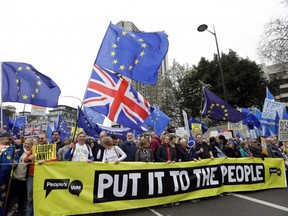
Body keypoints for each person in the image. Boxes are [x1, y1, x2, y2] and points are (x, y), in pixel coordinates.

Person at [7, 137, 33, 215]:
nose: (26, 145)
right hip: (14, 178)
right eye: (25, 143)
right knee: (9, 198)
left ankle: (20, 213)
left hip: (23, 180)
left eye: (29, 143)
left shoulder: (33, 154)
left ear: (32, 145)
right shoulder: (18, 151)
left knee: (21, 200)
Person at [0, 132, 17, 216]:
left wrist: (14, 163)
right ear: (2, 139)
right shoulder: (6, 148)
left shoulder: (11, 148)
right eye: (8, 138)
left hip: (4, 178)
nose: (10, 140)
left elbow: (13, 160)